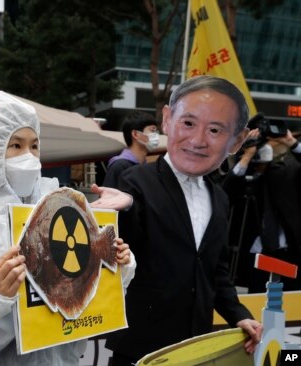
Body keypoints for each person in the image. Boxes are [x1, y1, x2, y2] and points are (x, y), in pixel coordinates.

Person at [91, 75, 262, 365]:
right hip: (140, 350)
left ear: (237, 141)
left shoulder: (219, 198)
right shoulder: (134, 182)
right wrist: (124, 208)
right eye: (188, 123)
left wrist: (239, 315)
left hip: (196, 349)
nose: (197, 140)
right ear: (168, 120)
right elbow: (118, 245)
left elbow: (215, 272)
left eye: (215, 129)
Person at [0, 91, 136, 365]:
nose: (28, 157)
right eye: (15, 146)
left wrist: (114, 270)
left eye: (34, 146)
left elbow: (81, 310)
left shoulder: (58, 211)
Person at [222, 127, 301, 293]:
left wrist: (291, 142)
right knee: (258, 305)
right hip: (257, 253)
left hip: (289, 252)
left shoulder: (287, 173)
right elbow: (226, 193)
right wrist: (247, 155)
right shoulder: (247, 178)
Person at [102, 111, 159, 188]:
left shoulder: (147, 167)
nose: (156, 136)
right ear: (135, 134)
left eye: (156, 131)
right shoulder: (119, 166)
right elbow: (107, 197)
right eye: (152, 130)